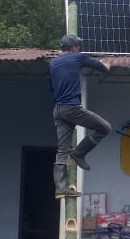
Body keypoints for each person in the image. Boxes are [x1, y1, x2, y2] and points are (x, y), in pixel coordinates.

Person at [48, 34, 111, 197]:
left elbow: (52, 87)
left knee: (63, 149)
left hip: (58, 109)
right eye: (78, 45)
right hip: (72, 108)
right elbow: (103, 68)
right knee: (104, 128)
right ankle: (79, 153)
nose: (79, 48)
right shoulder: (78, 57)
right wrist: (107, 61)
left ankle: (60, 188)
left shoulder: (53, 63)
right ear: (74, 47)